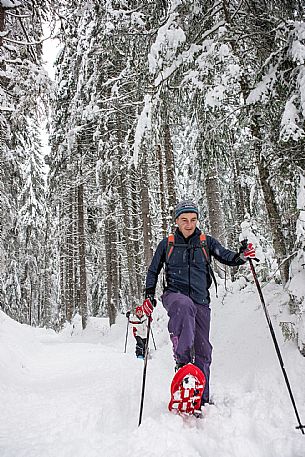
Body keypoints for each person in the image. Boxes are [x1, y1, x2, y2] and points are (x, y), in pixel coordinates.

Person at [144, 199, 255, 405]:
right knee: (184, 306)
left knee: (204, 350)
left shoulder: (206, 242)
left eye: (193, 219)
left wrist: (241, 256)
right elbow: (153, 270)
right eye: (184, 220)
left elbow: (226, 256)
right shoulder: (167, 243)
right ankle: (182, 361)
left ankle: (200, 399)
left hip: (201, 300)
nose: (189, 224)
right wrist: (149, 293)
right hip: (174, 297)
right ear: (177, 221)